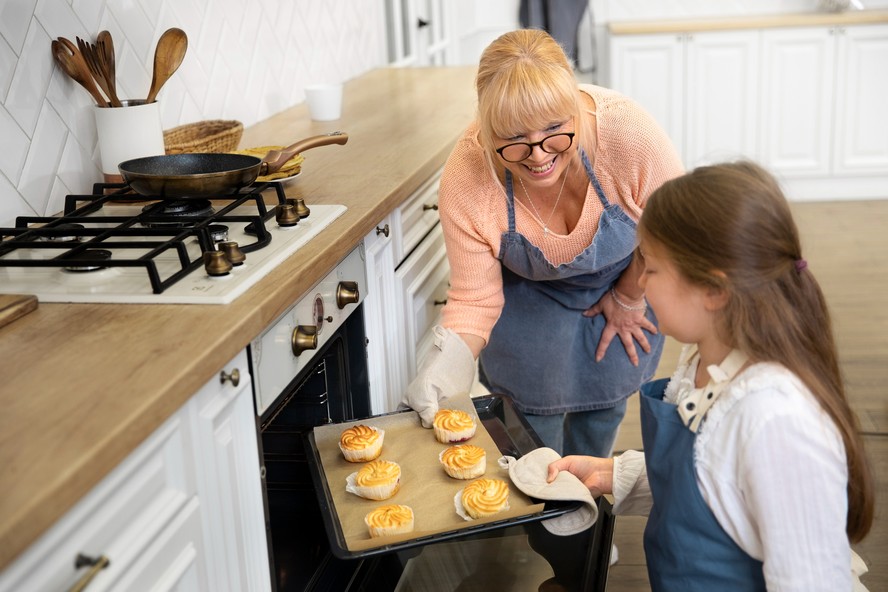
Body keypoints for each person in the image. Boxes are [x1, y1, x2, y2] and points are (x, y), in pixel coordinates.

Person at [547, 161, 876, 590]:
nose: (640, 281)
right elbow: (715, 478)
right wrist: (615, 474)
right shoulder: (702, 363)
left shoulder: (777, 423)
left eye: (651, 267)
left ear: (714, 290)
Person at [401, 29, 684, 462]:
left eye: (555, 131)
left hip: (622, 282)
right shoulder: (467, 178)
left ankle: (592, 513)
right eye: (513, 140)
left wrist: (629, 295)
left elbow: (672, 237)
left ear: (574, 108)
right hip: (527, 305)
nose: (537, 155)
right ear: (486, 130)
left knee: (602, 411)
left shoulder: (631, 138)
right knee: (533, 441)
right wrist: (446, 364)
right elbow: (474, 299)